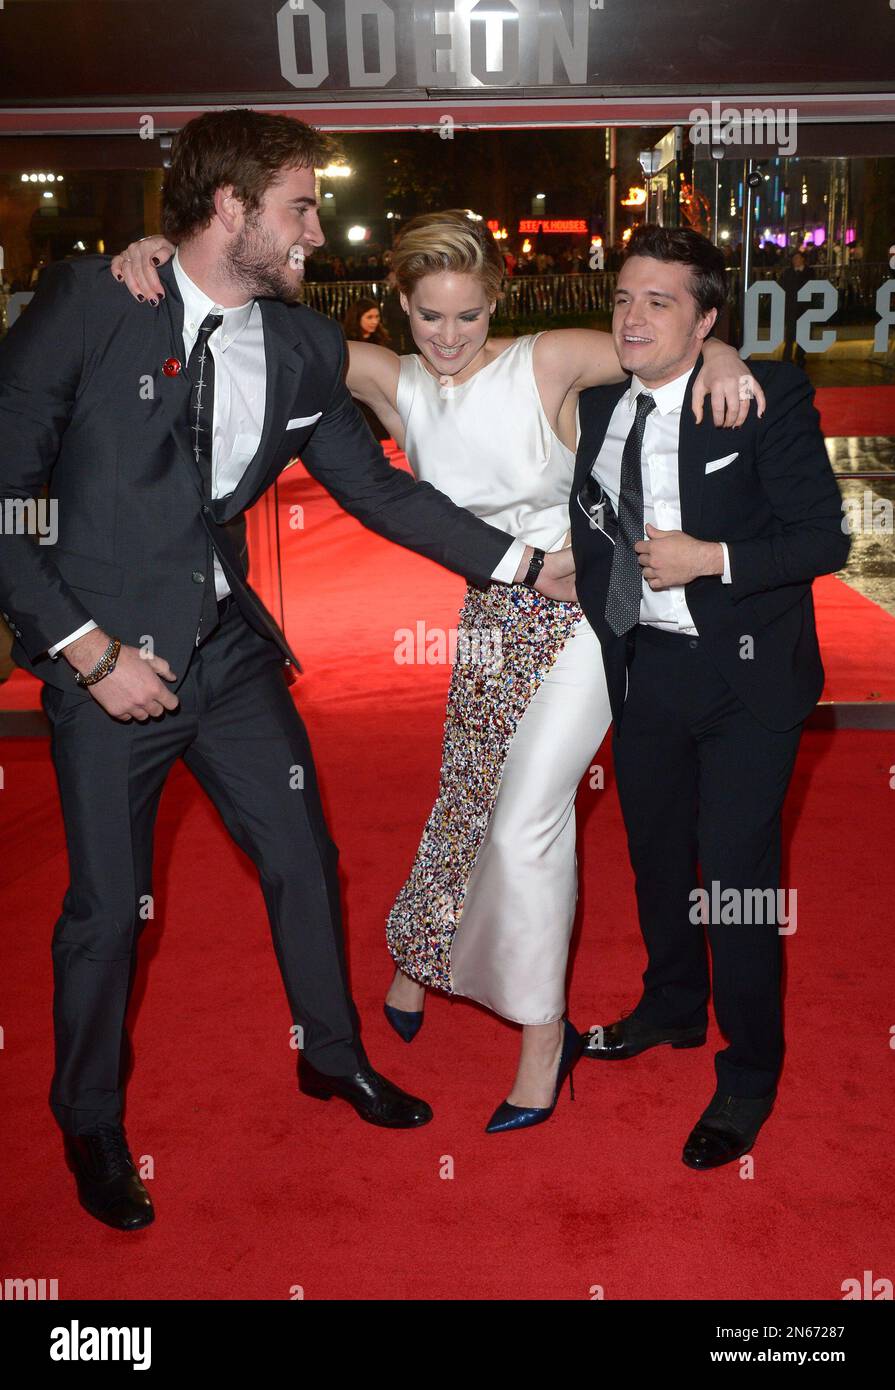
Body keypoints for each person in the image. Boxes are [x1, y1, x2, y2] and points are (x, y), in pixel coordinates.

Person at [0, 111, 581, 1234]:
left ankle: (332, 1055)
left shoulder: (305, 347)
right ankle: (89, 1119)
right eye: (301, 206)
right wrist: (83, 651)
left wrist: (522, 565)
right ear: (231, 209)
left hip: (226, 657)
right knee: (106, 911)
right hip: (106, 667)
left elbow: (380, 490)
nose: (319, 227)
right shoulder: (97, 302)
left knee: (306, 861)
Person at [115, 209, 760, 1135]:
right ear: (400, 311)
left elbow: (662, 337)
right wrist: (149, 258)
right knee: (464, 802)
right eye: (428, 318)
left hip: (585, 611)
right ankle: (417, 966)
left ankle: (543, 1040)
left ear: (493, 303)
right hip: (491, 614)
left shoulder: (547, 358)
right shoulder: (389, 379)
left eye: (465, 316)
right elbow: (231, 316)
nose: (449, 337)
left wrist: (728, 354)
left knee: (528, 816)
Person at [571, 224, 850, 1168]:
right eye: (622, 297)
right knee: (655, 859)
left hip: (744, 677)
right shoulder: (602, 402)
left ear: (705, 321)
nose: (632, 316)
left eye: (659, 301)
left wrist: (711, 560)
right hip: (643, 670)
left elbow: (823, 542)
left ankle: (749, 1070)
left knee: (734, 883)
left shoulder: (757, 397)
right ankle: (671, 1008)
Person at [342, 297, 391, 440]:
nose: (374, 321)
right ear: (357, 318)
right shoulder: (346, 340)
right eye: (369, 317)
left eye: (376, 316)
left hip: (376, 395)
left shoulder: (381, 340)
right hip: (353, 395)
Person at [779, 250, 812, 368]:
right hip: (791, 309)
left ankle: (800, 357)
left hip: (804, 309)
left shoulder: (809, 272)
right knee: (790, 335)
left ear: (802, 259)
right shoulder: (788, 273)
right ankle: (787, 359)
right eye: (794, 258)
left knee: (803, 335)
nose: (795, 261)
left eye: (797, 258)